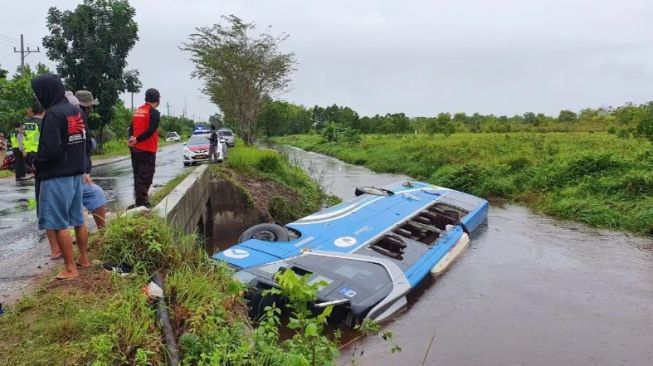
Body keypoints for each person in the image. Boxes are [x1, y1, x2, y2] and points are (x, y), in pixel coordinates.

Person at [32, 74, 91, 280]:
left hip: (57, 176)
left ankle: (69, 268)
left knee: (58, 223)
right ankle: (83, 259)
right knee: (78, 219)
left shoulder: (53, 114)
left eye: (38, 93)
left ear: (46, 92)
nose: (38, 97)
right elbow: (84, 142)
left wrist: (36, 164)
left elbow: (50, 151)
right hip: (76, 174)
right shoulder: (75, 111)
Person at [73, 90, 108, 229]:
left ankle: (102, 232)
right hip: (74, 173)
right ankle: (81, 233)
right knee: (88, 199)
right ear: (86, 106)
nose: (91, 109)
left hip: (80, 171)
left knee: (96, 193)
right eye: (90, 106)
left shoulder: (79, 118)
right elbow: (81, 148)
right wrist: (83, 171)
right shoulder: (76, 119)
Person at [128, 88, 160, 209]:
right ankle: (142, 203)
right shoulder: (154, 112)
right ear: (157, 99)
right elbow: (151, 130)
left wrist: (132, 138)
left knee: (138, 174)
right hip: (147, 148)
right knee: (146, 175)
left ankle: (139, 201)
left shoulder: (138, 110)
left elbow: (131, 127)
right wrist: (138, 139)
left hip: (135, 149)